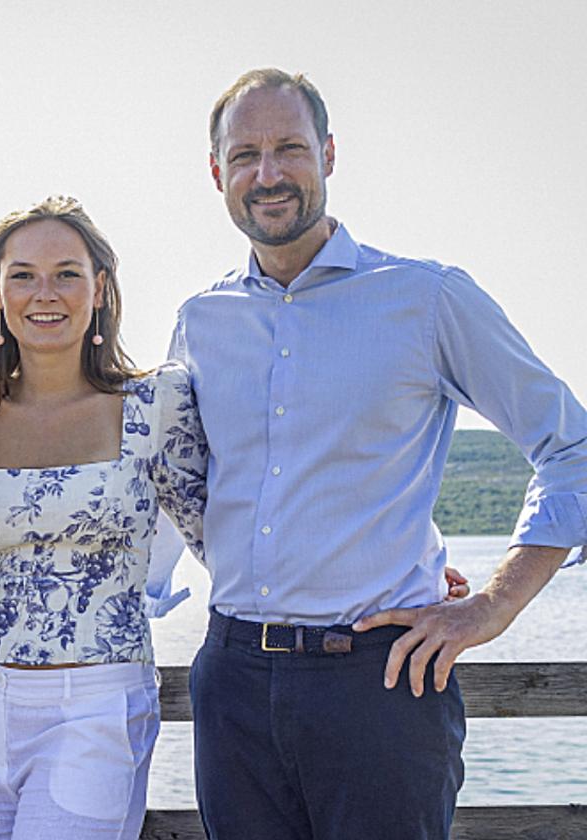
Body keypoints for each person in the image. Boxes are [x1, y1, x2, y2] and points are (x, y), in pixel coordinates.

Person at [170, 67, 587, 840]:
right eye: (245, 155)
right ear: (216, 171)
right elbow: (182, 493)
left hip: (382, 683)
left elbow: (573, 446)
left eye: (289, 148)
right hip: (230, 683)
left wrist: (492, 605)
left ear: (328, 154)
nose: (268, 174)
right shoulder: (201, 321)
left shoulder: (426, 299)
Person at [0, 196, 208, 840]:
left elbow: (224, 537)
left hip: (96, 707)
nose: (45, 293)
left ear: (99, 287)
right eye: (23, 275)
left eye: (66, 272)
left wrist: (394, 577)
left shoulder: (156, 401)